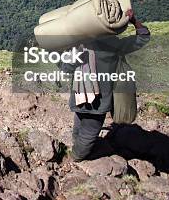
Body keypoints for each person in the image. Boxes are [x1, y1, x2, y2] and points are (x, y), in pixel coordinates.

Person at [61, 8, 150, 162]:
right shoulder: (115, 45)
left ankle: (75, 154)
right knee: (88, 130)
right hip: (100, 99)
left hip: (80, 96)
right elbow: (143, 37)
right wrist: (134, 20)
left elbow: (66, 68)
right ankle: (76, 155)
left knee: (81, 125)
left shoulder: (78, 46)